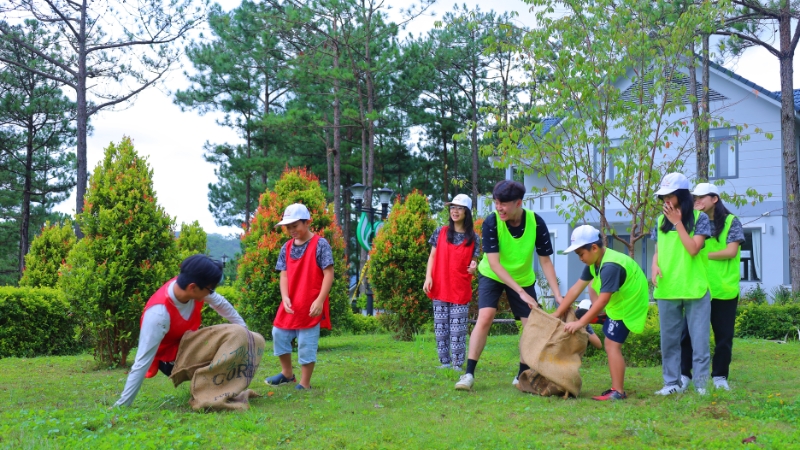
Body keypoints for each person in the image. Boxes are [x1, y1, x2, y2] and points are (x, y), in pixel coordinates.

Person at [455, 180, 563, 391]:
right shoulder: (491, 222)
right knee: (486, 316)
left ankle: (521, 375)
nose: (498, 207)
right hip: (492, 274)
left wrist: (558, 295)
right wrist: (521, 293)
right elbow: (494, 263)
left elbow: (545, 261)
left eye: (503, 203)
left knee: (530, 325)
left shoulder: (536, 222)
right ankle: (468, 374)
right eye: (496, 202)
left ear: (518, 203)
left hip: (522, 278)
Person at [114, 254, 247, 407]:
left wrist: (245, 331)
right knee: (226, 340)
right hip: (170, 361)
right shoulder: (158, 314)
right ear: (193, 287)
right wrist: (122, 405)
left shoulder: (189, 285)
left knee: (235, 335)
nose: (212, 293)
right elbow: (142, 361)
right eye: (211, 289)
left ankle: (220, 389)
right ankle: (210, 393)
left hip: (189, 344)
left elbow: (220, 303)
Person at [554, 225, 650, 400]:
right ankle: (617, 389)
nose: (580, 258)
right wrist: (556, 314)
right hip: (619, 303)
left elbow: (603, 300)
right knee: (610, 342)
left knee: (612, 345)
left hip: (628, 306)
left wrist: (580, 323)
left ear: (594, 247)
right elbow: (576, 289)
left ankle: (618, 392)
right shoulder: (595, 262)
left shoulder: (610, 266)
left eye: (581, 254)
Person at [651, 173, 711, 395]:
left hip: (694, 288)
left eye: (669, 195)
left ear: (681, 195)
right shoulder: (659, 221)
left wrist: (678, 223)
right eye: (662, 196)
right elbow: (658, 251)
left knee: (700, 342)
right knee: (669, 342)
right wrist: (654, 266)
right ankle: (671, 383)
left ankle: (702, 385)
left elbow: (694, 248)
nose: (665, 199)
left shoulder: (700, 218)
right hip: (667, 288)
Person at [680, 183, 744, 391]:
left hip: (723, 290)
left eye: (701, 197)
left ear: (714, 198)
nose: (696, 201)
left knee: (723, 337)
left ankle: (719, 377)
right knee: (687, 335)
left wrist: (701, 253)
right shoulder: (692, 222)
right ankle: (683, 375)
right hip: (697, 288)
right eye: (694, 197)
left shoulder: (731, 222)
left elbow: (731, 251)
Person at [264, 203, 334, 390]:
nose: (291, 230)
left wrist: (320, 300)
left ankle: (305, 382)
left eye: (295, 226)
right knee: (278, 333)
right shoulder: (286, 248)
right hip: (291, 303)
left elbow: (329, 274)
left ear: (308, 222)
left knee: (306, 342)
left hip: (310, 303)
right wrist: (285, 297)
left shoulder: (321, 244)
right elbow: (284, 274)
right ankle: (287, 374)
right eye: (288, 227)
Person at [423, 194, 481, 371]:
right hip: (440, 284)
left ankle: (457, 364)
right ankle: (444, 363)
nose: (455, 211)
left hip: (460, 287)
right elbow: (432, 256)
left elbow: (475, 262)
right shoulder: (440, 232)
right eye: (452, 207)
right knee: (441, 328)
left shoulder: (474, 238)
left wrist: (474, 267)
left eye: (459, 208)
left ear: (467, 212)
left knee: (458, 330)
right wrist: (428, 277)